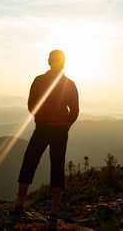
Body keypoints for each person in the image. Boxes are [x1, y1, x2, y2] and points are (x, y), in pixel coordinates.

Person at [15, 49, 79, 222]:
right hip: (60, 131)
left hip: (42, 128)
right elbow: (75, 110)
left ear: (49, 61)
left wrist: (40, 116)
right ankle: (54, 212)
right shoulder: (70, 84)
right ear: (64, 62)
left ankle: (20, 205)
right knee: (57, 168)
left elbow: (31, 104)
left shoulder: (39, 80)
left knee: (29, 162)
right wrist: (65, 125)